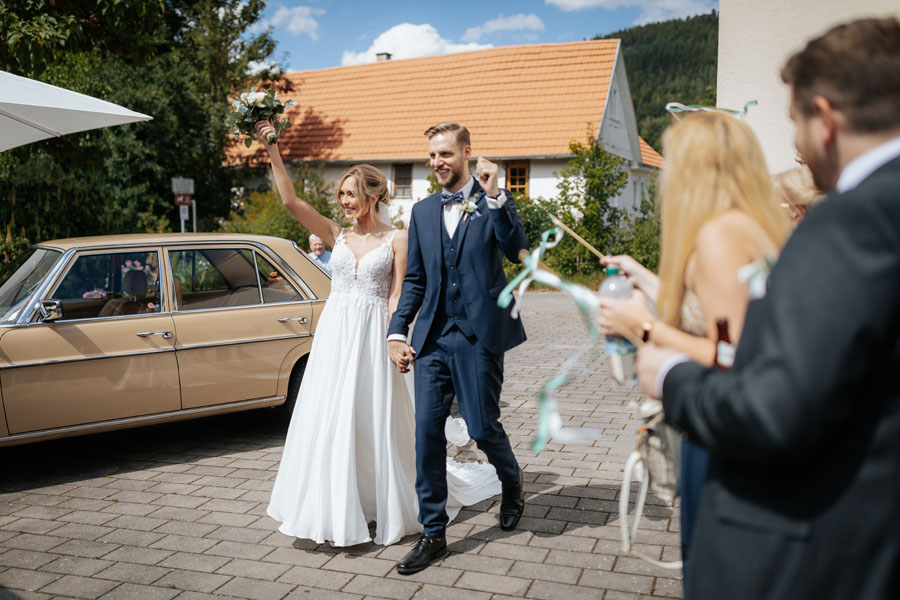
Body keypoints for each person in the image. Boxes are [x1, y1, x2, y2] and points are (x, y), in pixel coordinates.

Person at [636, 17, 900, 598]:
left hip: (802, 551)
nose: (798, 149)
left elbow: (772, 405)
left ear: (826, 120)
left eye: (797, 124)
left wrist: (669, 371)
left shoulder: (852, 221)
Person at [256, 121, 501, 547]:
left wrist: (398, 336)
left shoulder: (398, 239)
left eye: (350, 194)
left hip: (372, 336)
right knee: (333, 419)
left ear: (372, 194)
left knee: (374, 419)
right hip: (335, 337)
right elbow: (290, 200)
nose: (344, 202)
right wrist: (272, 148)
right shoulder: (337, 234)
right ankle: (335, 505)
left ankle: (384, 500)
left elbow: (397, 296)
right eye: (341, 196)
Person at [598, 111, 790, 563]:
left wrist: (642, 326)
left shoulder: (718, 236)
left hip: (724, 429)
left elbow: (733, 355)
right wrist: (646, 279)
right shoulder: (750, 225)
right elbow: (720, 313)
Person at [387, 122, 529, 574]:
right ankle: (434, 533)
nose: (436, 163)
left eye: (445, 154)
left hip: (478, 334)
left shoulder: (491, 203)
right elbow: (414, 280)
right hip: (431, 338)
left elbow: (517, 248)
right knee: (427, 434)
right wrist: (397, 332)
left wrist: (496, 196)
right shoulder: (423, 211)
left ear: (466, 152)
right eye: (432, 156)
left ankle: (511, 482)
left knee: (483, 426)